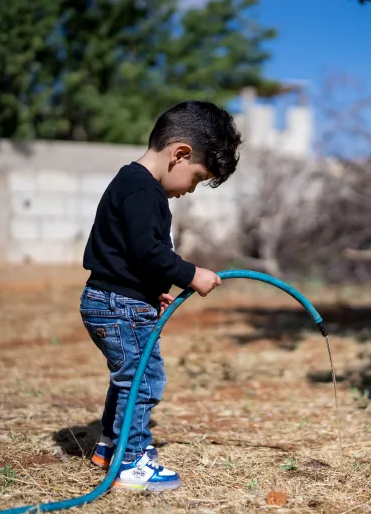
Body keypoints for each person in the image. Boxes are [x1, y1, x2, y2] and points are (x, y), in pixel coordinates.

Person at [79, 100, 242, 491]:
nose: (190, 190)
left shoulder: (132, 184)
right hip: (118, 306)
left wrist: (152, 292)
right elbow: (148, 252)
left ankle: (109, 447)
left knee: (127, 379)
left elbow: (128, 256)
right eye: (197, 178)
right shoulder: (143, 190)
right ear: (180, 154)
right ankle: (131, 462)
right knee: (144, 380)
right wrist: (191, 274)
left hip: (115, 300)